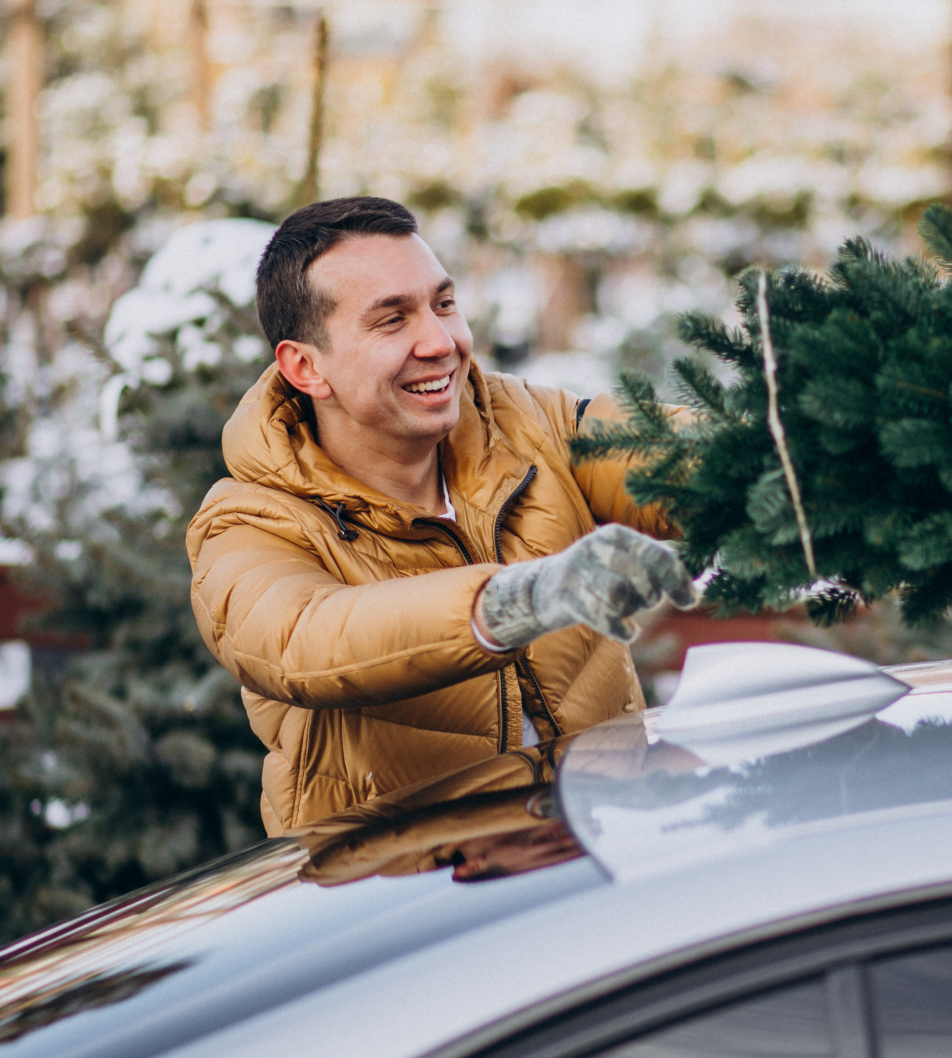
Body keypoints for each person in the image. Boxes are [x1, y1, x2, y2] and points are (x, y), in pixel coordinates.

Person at [186, 197, 695, 835]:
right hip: (402, 903)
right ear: (306, 367)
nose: (442, 342)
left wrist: (807, 445)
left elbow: (674, 453)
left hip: (597, 861)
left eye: (444, 304)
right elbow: (304, 639)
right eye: (392, 320)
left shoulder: (525, 425)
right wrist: (521, 598)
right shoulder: (248, 522)